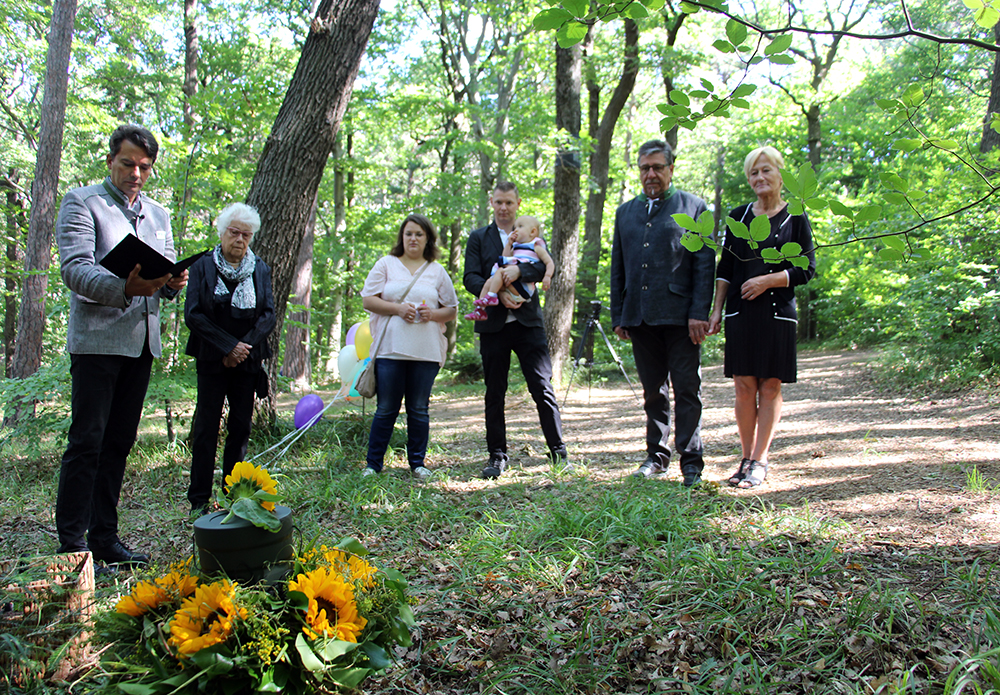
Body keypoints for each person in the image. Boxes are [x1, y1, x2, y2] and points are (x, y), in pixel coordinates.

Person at [54, 124, 188, 566]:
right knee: (87, 441)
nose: (135, 173)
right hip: (96, 341)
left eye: (144, 166)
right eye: (128, 163)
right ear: (110, 160)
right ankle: (72, 544)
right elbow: (75, 270)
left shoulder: (160, 215)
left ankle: (105, 539)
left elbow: (162, 279)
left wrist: (172, 283)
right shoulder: (82, 202)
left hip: (141, 344)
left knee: (119, 443)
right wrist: (125, 287)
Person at [708, 146, 816, 488]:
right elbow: (726, 268)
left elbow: (807, 268)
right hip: (741, 312)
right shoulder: (738, 218)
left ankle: (761, 458)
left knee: (770, 385)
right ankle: (745, 456)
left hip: (778, 312)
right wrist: (716, 310)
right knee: (744, 385)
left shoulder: (795, 216)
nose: (759, 178)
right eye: (754, 173)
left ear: (780, 175)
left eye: (766, 170)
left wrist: (769, 280)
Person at [610, 139, 715, 487]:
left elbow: (704, 266)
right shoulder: (625, 211)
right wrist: (618, 314)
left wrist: (700, 312)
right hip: (639, 316)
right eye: (645, 168)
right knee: (653, 391)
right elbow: (619, 266)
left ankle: (691, 461)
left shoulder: (694, 207)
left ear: (671, 168)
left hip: (682, 316)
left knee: (687, 387)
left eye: (657, 167)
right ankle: (656, 456)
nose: (651, 174)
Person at [463, 182, 568, 479]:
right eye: (498, 202)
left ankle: (558, 451)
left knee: (541, 387)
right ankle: (496, 456)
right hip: (493, 324)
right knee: (494, 392)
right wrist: (499, 291)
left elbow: (545, 266)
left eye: (509, 202)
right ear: (491, 203)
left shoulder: (530, 232)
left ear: (518, 203)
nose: (503, 208)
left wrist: (519, 272)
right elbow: (469, 277)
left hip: (527, 323)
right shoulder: (478, 238)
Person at [184, 203, 276, 514]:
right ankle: (198, 498)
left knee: (240, 426)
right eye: (234, 232)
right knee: (207, 426)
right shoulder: (201, 266)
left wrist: (242, 348)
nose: (239, 239)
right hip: (211, 358)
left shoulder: (260, 268)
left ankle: (232, 494)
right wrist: (227, 347)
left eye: (246, 235)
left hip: (248, 360)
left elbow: (267, 315)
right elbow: (193, 314)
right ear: (221, 232)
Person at [360, 213, 458, 479]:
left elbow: (451, 309)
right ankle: (373, 464)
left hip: (426, 351)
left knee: (418, 408)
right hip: (390, 350)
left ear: (428, 239)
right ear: (401, 237)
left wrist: (433, 315)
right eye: (408, 233)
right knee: (386, 408)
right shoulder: (386, 264)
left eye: (418, 234)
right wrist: (397, 309)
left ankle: (417, 463)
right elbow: (368, 300)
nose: (413, 238)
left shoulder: (437, 271)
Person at [466, 215, 554, 320]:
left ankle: (491, 296)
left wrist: (546, 276)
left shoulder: (536, 247)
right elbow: (505, 258)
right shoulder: (516, 247)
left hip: (523, 290)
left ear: (532, 232)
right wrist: (509, 245)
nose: (516, 230)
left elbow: (549, 263)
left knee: (500, 271)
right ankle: (480, 310)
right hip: (508, 289)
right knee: (489, 282)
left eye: (520, 226)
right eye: (515, 227)